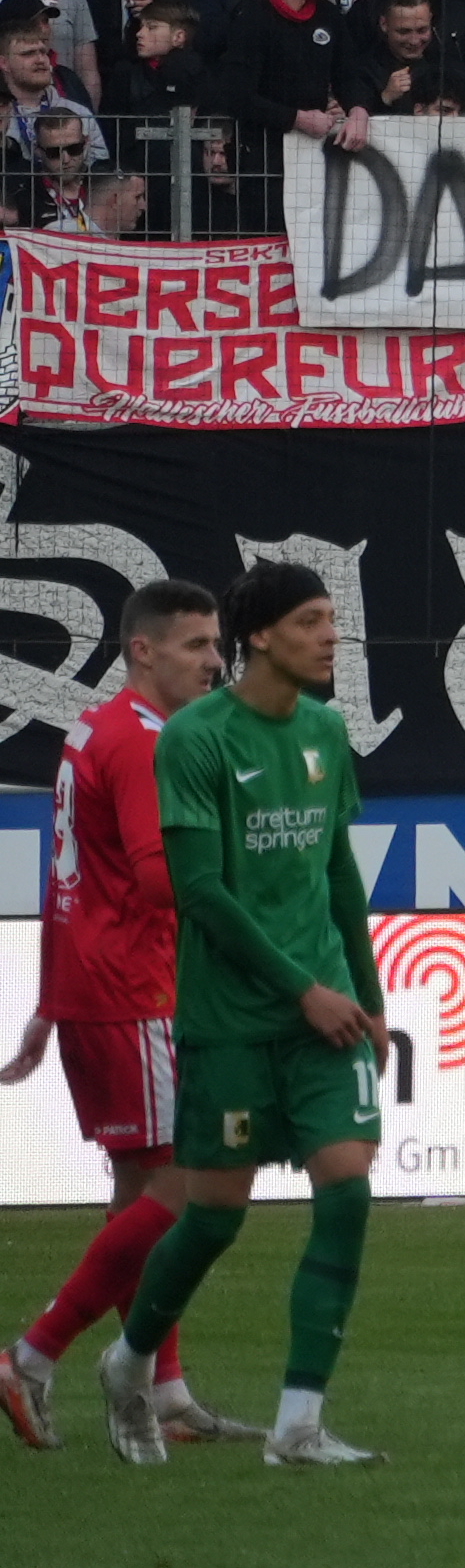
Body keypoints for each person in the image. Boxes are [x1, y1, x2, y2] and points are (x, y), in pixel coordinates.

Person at [95, 564, 390, 1468]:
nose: (332, 637)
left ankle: (299, 1423)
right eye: (311, 621)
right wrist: (303, 987)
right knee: (215, 1214)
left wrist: (368, 994)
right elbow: (202, 893)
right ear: (261, 636)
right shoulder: (192, 740)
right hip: (230, 1018)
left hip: (325, 1014)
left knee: (346, 1187)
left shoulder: (330, 733)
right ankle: (128, 1359)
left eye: (334, 620)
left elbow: (337, 872)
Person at [0, 579, 265, 1454]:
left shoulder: (94, 728)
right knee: (186, 1190)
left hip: (97, 988)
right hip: (140, 991)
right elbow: (160, 879)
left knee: (138, 1193)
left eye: (217, 644)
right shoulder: (148, 744)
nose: (216, 660)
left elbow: (67, 872)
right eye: (196, 645)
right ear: (142, 651)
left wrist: (48, 1000)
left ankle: (164, 1390)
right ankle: (33, 1354)